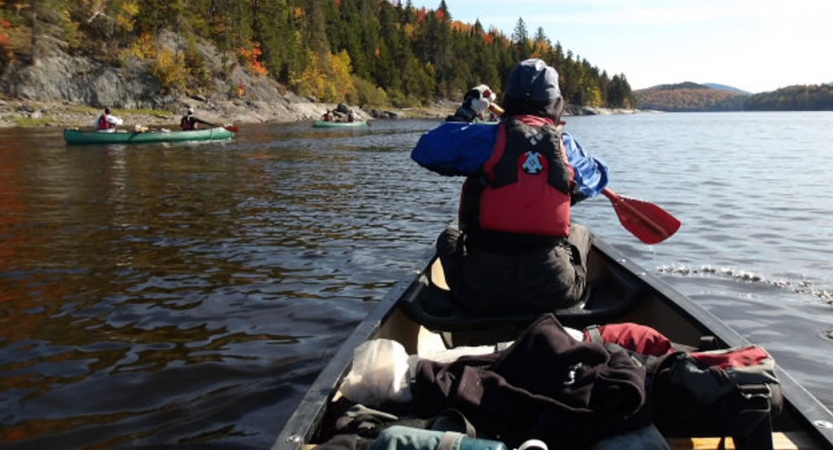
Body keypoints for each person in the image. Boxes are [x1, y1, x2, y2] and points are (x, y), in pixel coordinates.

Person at [411, 58, 610, 315]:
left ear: (508, 100)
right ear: (556, 104)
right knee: (580, 231)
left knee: (450, 235)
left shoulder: (485, 137)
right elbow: (599, 175)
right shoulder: (567, 146)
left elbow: (426, 150)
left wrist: (467, 112)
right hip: (554, 289)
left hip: (481, 289)